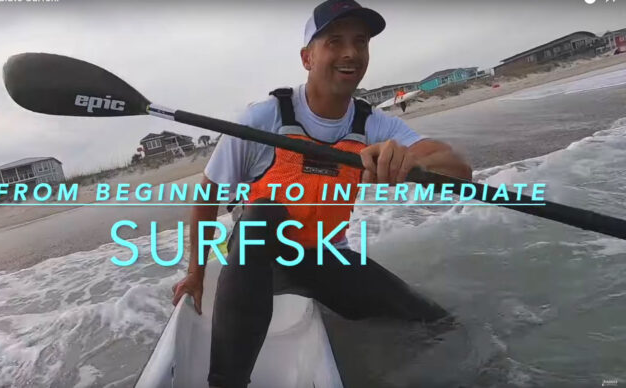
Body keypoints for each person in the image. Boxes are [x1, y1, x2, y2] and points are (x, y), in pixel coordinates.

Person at [171, 0, 473, 387]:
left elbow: (457, 167)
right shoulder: (262, 118)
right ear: (307, 57)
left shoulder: (373, 123)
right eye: (334, 41)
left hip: (326, 258)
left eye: (360, 42)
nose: (350, 53)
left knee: (436, 321)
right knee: (262, 216)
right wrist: (196, 274)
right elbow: (207, 196)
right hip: (262, 259)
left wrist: (410, 160)